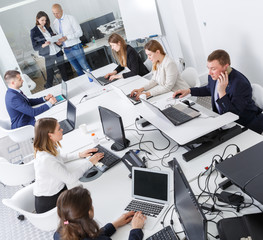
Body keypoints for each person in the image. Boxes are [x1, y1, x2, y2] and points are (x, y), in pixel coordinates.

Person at [173, 49, 263, 134]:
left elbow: (234, 115)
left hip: (242, 123)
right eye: (208, 68)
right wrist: (189, 91)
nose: (209, 72)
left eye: (213, 69)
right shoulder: (215, 76)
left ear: (226, 67)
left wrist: (222, 92)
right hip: (221, 118)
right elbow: (209, 89)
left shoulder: (239, 84)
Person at [33, 118, 104, 213]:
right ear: (50, 135)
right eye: (59, 129)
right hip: (51, 203)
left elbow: (60, 157)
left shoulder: (45, 148)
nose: (62, 130)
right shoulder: (46, 159)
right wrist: (90, 162)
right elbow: (70, 179)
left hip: (57, 193)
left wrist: (79, 154)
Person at [54, 186, 146, 240]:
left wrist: (115, 224)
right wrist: (136, 229)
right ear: (89, 212)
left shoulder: (59, 233)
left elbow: (91, 237)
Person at [30, 11, 68, 89]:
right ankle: (49, 88)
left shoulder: (47, 27)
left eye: (45, 20)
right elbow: (35, 47)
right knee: (50, 72)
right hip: (48, 53)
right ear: (37, 19)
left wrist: (56, 40)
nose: (44, 22)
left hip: (57, 51)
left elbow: (52, 37)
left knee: (63, 69)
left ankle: (67, 84)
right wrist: (44, 44)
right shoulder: (34, 31)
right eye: (42, 20)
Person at [52, 3, 92, 76]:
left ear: (62, 10)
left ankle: (96, 83)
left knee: (85, 67)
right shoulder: (55, 23)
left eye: (57, 13)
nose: (56, 15)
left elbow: (80, 33)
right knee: (77, 70)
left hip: (76, 47)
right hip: (66, 50)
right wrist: (59, 42)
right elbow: (59, 37)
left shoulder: (70, 18)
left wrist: (67, 37)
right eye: (54, 13)